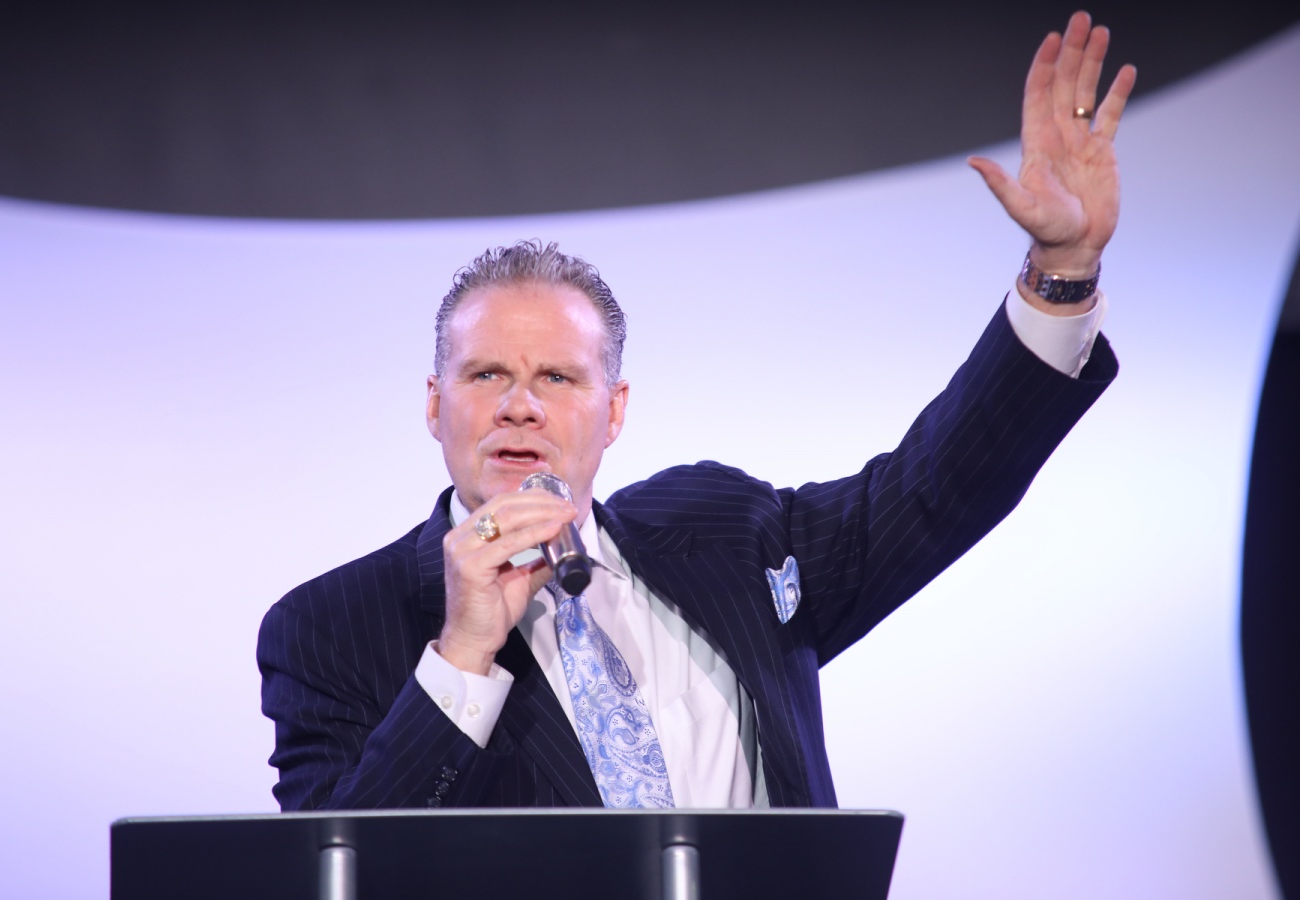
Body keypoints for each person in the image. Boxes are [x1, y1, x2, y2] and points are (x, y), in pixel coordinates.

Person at [258, 11, 1136, 810]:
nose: (520, 407)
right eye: (487, 374)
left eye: (557, 378)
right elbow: (342, 874)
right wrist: (460, 654)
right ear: (434, 403)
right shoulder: (333, 628)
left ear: (614, 411)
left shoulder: (728, 535)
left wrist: (1060, 272)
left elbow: (934, 489)